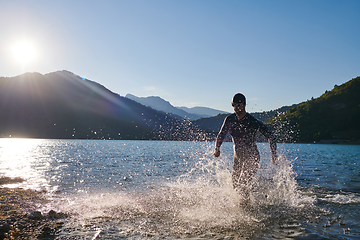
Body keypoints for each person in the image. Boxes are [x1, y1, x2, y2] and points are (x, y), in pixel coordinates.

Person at [214, 93, 277, 200]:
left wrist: (273, 155)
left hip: (252, 157)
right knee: (235, 185)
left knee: (242, 185)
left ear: (244, 105)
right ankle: (249, 203)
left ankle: (246, 209)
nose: (236, 108)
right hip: (237, 157)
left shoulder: (252, 121)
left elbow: (271, 137)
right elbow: (221, 134)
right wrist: (217, 148)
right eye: (234, 105)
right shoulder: (230, 119)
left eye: (239, 105)